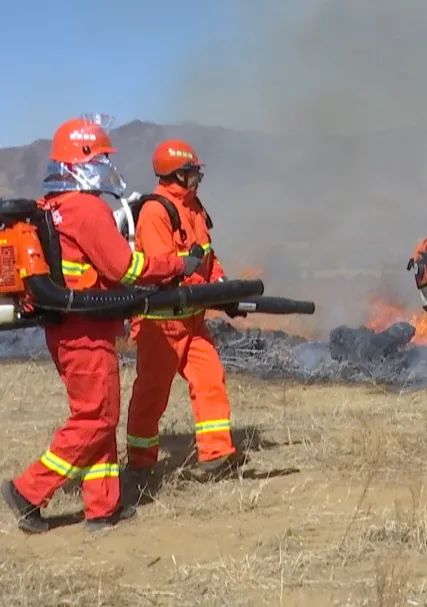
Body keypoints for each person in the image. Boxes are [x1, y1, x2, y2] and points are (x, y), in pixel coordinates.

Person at [1, 116, 197, 533]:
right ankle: (28, 490)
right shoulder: (86, 208)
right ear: (85, 160)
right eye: (103, 157)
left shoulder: (51, 206)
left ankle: (102, 508)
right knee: (96, 419)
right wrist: (178, 264)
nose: (108, 164)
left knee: (96, 415)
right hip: (84, 330)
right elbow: (125, 268)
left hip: (68, 328)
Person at [125, 139, 246, 487]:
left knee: (210, 380)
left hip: (192, 319)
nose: (198, 178)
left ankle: (217, 456)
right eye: (194, 172)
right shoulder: (155, 212)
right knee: (152, 394)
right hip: (161, 324)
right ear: (178, 174)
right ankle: (139, 464)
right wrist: (192, 271)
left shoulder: (193, 208)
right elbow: (164, 266)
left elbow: (207, 256)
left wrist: (222, 288)